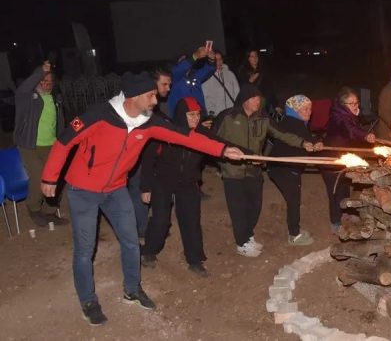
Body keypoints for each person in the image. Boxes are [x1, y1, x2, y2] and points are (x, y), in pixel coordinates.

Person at [40, 72, 244, 326]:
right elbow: (64, 141)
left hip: (116, 190)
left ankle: (132, 289)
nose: (155, 101)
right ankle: (88, 300)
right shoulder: (98, 115)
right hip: (84, 190)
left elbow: (185, 136)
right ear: (134, 96)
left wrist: (223, 149)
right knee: (84, 250)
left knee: (131, 242)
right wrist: (50, 178)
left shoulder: (149, 122)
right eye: (151, 95)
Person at [216, 84, 316, 257]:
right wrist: (221, 160)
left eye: (259, 98)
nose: (257, 102)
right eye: (253, 98)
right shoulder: (227, 117)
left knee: (254, 206)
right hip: (233, 171)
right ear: (244, 100)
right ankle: (241, 243)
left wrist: (302, 143)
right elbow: (213, 139)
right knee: (238, 209)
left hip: (254, 171)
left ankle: (248, 236)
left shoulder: (263, 119)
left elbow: (281, 134)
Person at [139, 97, 213, 276]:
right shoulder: (166, 133)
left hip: (187, 183)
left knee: (191, 221)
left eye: (197, 114)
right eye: (191, 114)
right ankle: (149, 251)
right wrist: (145, 187)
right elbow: (148, 159)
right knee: (161, 220)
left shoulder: (201, 134)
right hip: (162, 180)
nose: (195, 118)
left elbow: (219, 146)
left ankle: (195, 260)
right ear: (181, 115)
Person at [13, 60, 67, 226]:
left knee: (55, 178)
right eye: (43, 81)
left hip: (51, 145)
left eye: (49, 82)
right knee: (38, 178)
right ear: (36, 80)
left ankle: (50, 211)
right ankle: (34, 208)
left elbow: (60, 122)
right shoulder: (28, 98)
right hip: (30, 145)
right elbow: (23, 89)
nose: (46, 84)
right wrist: (41, 71)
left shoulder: (55, 99)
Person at [267, 95, 321, 246]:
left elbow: (308, 138)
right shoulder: (294, 124)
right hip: (284, 169)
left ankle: (294, 232)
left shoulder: (294, 122)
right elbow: (306, 139)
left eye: (310, 108)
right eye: (304, 109)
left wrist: (316, 142)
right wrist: (315, 143)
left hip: (285, 168)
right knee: (294, 200)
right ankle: (294, 235)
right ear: (294, 110)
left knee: (294, 199)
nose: (309, 112)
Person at [321, 87, 375, 233]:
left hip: (343, 156)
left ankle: (347, 213)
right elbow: (350, 129)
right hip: (331, 158)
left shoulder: (350, 114)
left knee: (345, 185)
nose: (355, 105)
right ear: (342, 105)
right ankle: (335, 222)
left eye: (356, 102)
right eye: (351, 103)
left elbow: (352, 126)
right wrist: (364, 136)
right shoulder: (338, 116)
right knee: (335, 190)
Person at [127, 67, 173, 238]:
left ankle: (148, 225)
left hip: (150, 154)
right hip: (137, 155)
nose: (168, 88)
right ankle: (142, 229)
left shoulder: (155, 104)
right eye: (164, 84)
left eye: (169, 84)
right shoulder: (141, 102)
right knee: (139, 189)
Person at [168, 46, 216, 114]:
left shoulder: (195, 76)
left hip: (199, 116)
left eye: (186, 59)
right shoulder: (174, 77)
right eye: (182, 61)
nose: (186, 62)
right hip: (182, 118)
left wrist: (211, 59)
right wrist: (195, 56)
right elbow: (180, 69)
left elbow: (208, 69)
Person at [236, 49, 278, 114]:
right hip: (255, 107)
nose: (255, 58)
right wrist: (249, 81)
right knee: (260, 123)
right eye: (252, 56)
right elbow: (242, 91)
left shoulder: (263, 69)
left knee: (277, 120)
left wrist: (276, 105)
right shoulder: (243, 72)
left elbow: (271, 88)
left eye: (256, 56)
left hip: (268, 104)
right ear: (247, 58)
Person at [202, 50, 240, 117]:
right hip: (216, 115)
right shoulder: (207, 77)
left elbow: (237, 93)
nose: (218, 62)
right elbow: (206, 98)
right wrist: (212, 114)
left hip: (232, 113)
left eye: (220, 59)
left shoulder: (230, 74)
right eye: (216, 60)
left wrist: (236, 109)